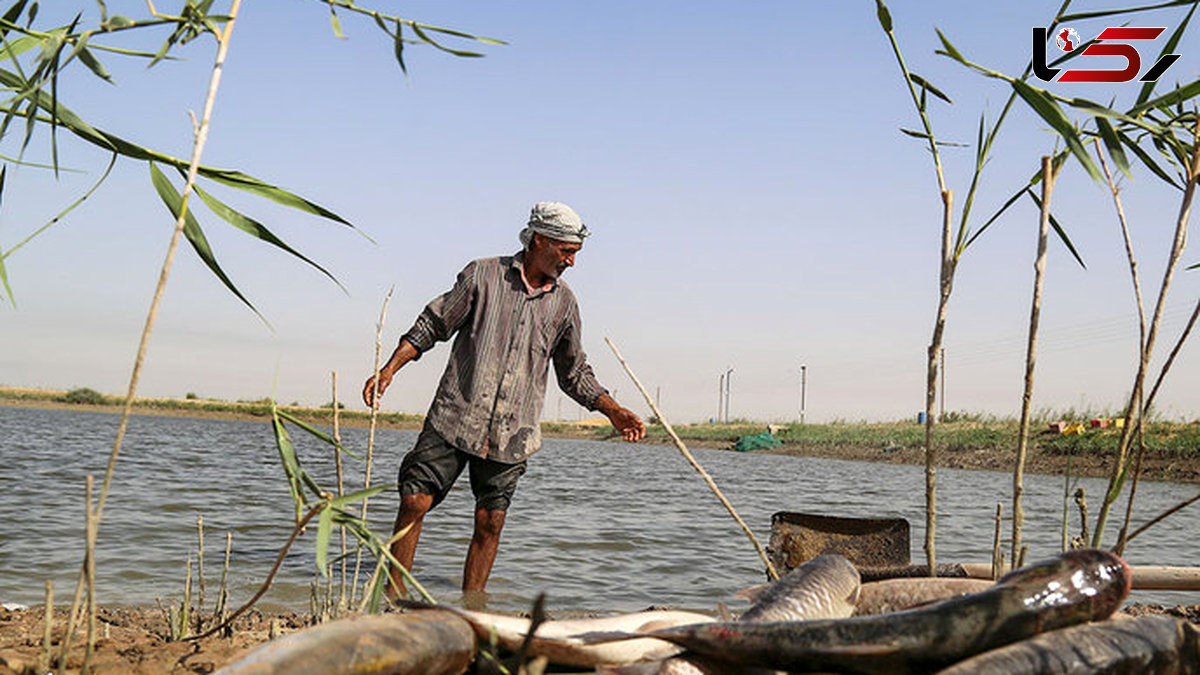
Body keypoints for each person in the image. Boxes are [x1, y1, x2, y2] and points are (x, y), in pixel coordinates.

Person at [362, 201, 646, 600]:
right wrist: (390, 368)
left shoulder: (564, 304)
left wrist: (613, 410)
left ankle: (471, 610)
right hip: (455, 416)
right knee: (415, 499)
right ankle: (389, 598)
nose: (571, 262)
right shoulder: (483, 275)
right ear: (541, 240)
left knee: (490, 521)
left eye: (575, 254)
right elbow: (433, 324)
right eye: (566, 252)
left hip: (512, 433)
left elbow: (573, 372)